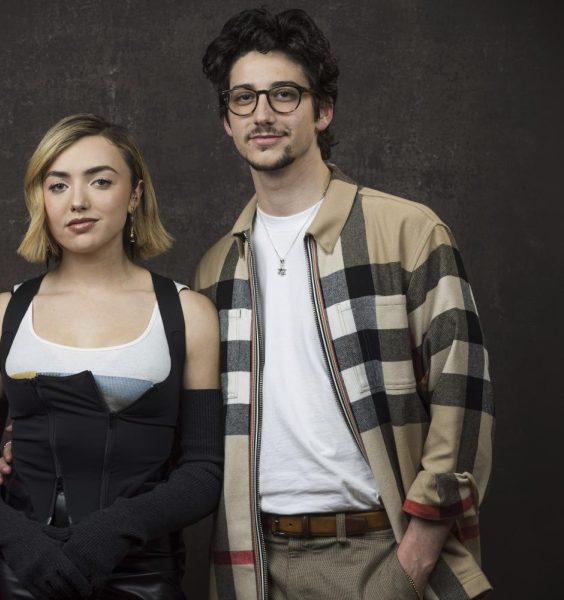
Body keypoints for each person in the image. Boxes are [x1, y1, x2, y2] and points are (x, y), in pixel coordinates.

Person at [193, 7, 493, 600]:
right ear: (226, 121)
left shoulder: (406, 231)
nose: (262, 114)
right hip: (257, 565)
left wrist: (413, 560)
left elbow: (463, 397)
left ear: (321, 110)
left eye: (283, 94)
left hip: (389, 550)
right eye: (243, 99)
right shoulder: (215, 270)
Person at [0, 113, 224, 599]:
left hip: (145, 575)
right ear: (41, 199)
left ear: (135, 194)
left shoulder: (189, 314)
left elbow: (204, 470)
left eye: (100, 181)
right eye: (57, 185)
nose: (77, 201)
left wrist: (111, 534)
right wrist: (25, 546)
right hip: (24, 573)